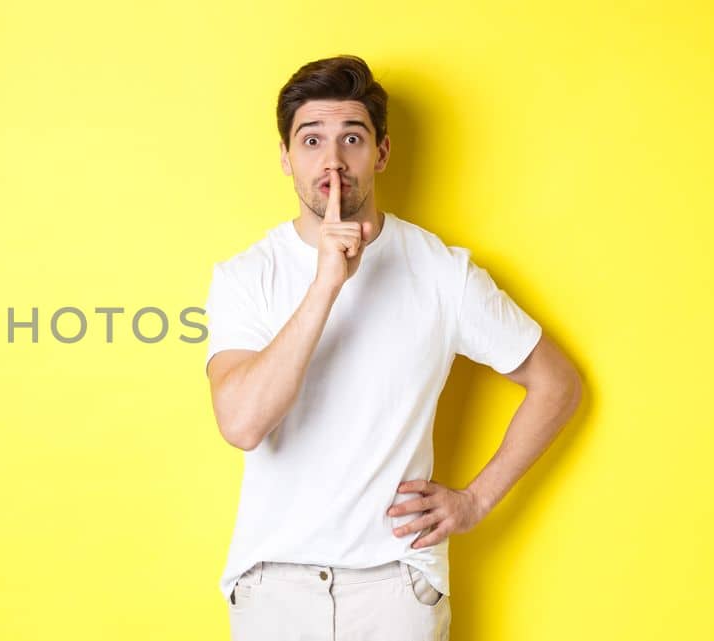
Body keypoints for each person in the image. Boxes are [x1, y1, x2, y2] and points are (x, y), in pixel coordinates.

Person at [204, 55, 584, 640]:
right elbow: (242, 424)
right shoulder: (244, 276)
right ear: (285, 157)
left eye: (351, 138)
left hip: (394, 588)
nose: (332, 161)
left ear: (380, 152)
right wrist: (327, 282)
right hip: (272, 587)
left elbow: (557, 383)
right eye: (311, 141)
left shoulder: (441, 271)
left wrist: (475, 501)